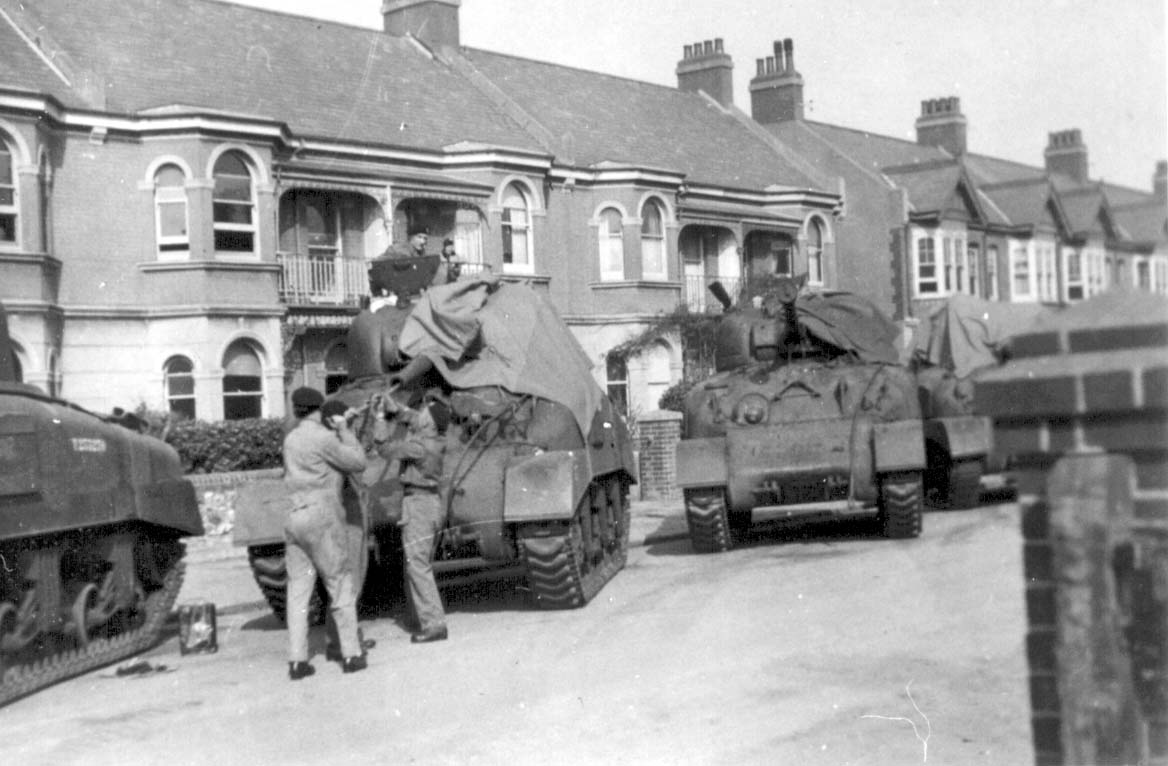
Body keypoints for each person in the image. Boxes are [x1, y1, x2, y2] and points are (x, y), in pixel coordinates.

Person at [282, 387, 368, 679]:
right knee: (340, 583)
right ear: (319, 410)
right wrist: (345, 429)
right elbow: (358, 462)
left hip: (294, 516)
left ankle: (297, 661)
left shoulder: (291, 439)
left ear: (296, 410)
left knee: (298, 593)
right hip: (322, 516)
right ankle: (351, 654)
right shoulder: (323, 437)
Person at [380, 390, 449, 644]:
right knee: (420, 563)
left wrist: (380, 417)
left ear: (428, 423)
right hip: (429, 503)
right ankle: (423, 617)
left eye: (425, 414)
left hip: (418, 505)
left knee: (418, 566)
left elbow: (385, 449)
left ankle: (434, 624)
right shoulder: (435, 439)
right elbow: (415, 419)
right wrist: (397, 410)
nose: (420, 416)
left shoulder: (418, 447)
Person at [319, 399, 377, 664]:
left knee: (345, 581)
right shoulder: (334, 444)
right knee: (350, 580)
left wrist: (351, 421)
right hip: (346, 518)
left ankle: (338, 639)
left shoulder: (325, 439)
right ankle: (347, 642)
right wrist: (344, 428)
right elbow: (357, 460)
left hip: (343, 515)